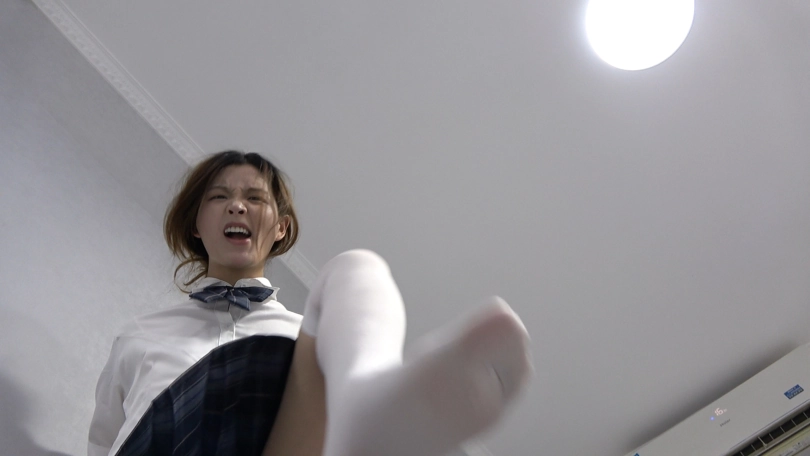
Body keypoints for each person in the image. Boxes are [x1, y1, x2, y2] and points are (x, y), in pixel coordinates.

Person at [88, 150, 534, 456]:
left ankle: (364, 409)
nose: (237, 207)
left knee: (355, 266)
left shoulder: (313, 341)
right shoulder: (139, 336)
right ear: (196, 225)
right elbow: (101, 445)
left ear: (281, 228)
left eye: (255, 198)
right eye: (219, 197)